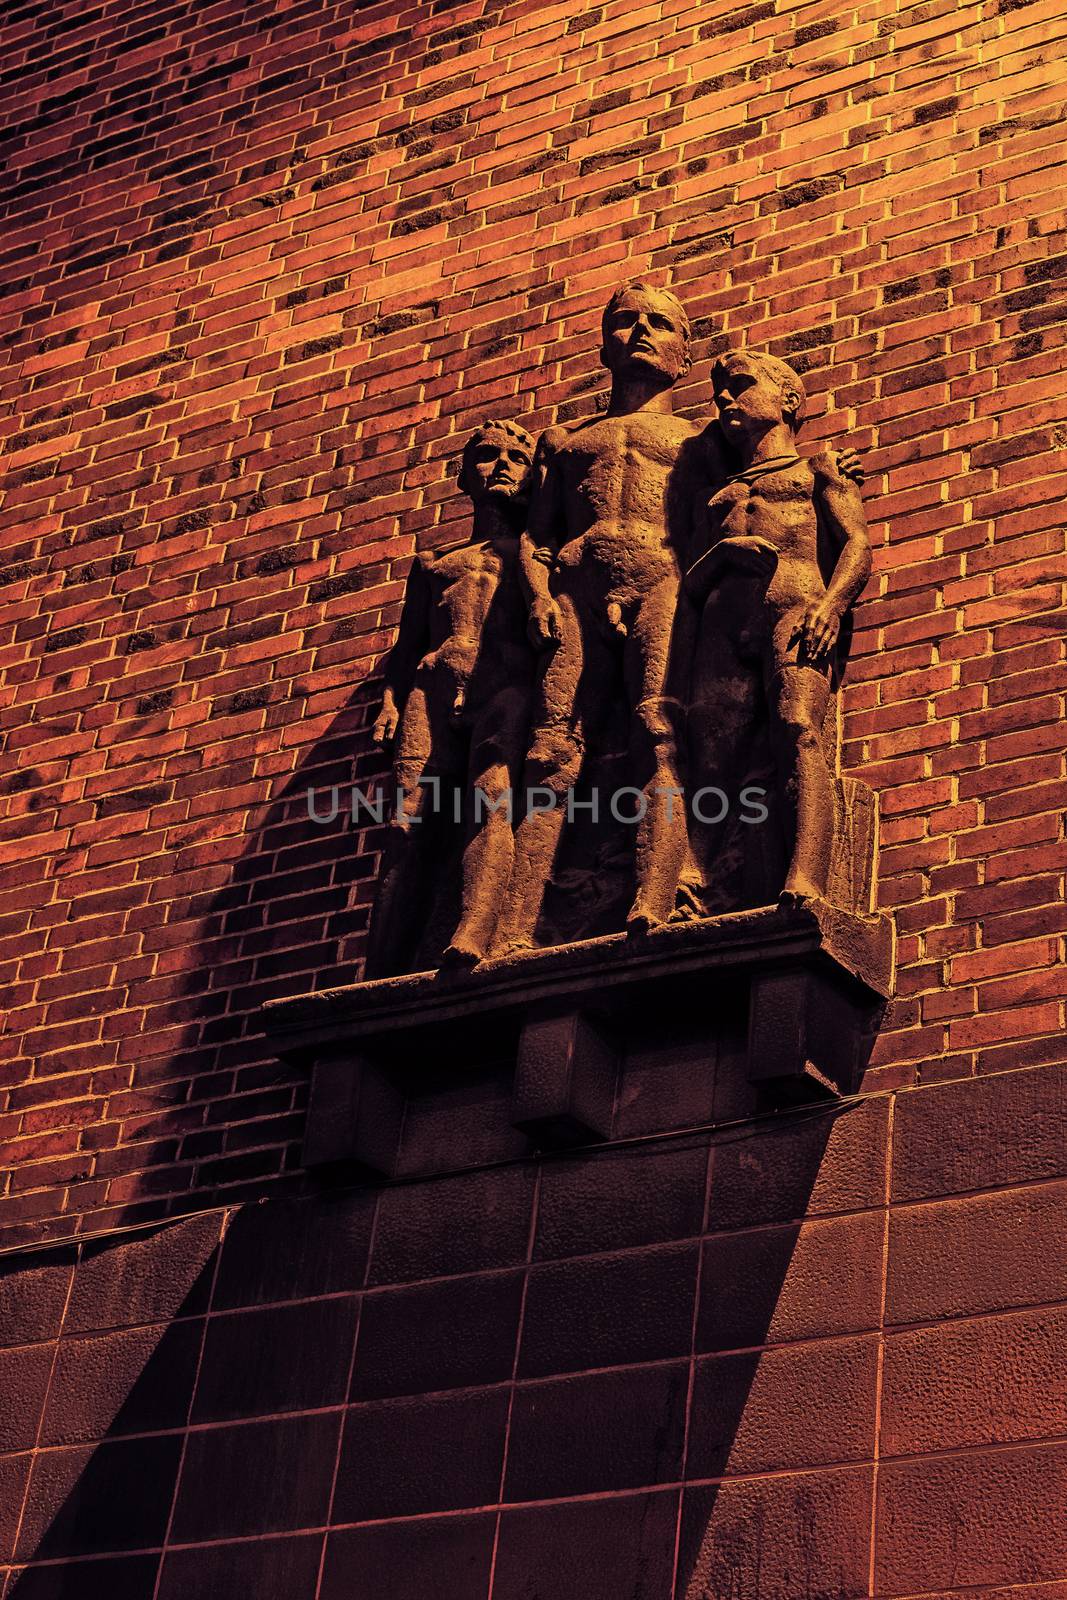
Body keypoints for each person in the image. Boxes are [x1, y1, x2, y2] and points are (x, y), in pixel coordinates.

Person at [491, 283, 708, 952]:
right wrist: (533, 596)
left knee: (656, 725)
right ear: (602, 341)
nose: (639, 333)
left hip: (661, 579)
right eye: (623, 322)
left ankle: (659, 890)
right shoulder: (566, 441)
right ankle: (515, 921)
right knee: (548, 750)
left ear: (682, 350)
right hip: (575, 593)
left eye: (657, 324)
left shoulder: (699, 441)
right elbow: (536, 535)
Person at [684, 349, 872, 909]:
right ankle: (692, 876)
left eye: (740, 386)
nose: (724, 398)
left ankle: (806, 873)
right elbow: (689, 584)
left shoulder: (816, 471)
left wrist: (832, 606)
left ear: (789, 400)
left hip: (793, 610)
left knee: (798, 728)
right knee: (710, 753)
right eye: (720, 390)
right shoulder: (714, 494)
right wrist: (721, 555)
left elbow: (857, 544)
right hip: (721, 626)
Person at [365, 419, 538, 974]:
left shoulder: (539, 557)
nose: (504, 464)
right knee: (407, 823)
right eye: (489, 456)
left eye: (519, 456)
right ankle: (384, 963)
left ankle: (473, 931)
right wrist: (390, 701)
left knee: (492, 804)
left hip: (505, 687)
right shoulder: (434, 564)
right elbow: (408, 644)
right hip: (432, 689)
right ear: (464, 476)